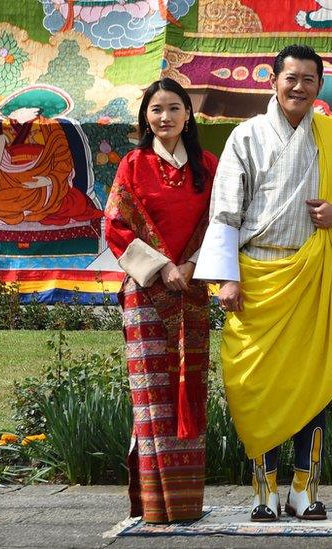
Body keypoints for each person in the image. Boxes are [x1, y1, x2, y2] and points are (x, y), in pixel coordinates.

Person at [194, 44, 332, 522]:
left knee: (311, 382)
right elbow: (225, 212)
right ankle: (264, 491)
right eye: (290, 78)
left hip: (314, 276)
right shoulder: (246, 137)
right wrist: (227, 280)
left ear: (320, 86)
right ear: (273, 81)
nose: (299, 87)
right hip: (257, 277)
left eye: (309, 80)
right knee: (256, 383)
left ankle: (305, 489)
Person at [104, 78, 217, 524]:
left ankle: (187, 504)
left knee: (189, 390)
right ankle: (155, 506)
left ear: (188, 115)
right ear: (145, 118)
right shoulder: (132, 165)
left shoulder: (207, 165)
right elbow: (116, 225)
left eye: (173, 108)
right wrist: (162, 268)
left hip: (191, 291)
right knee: (152, 397)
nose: (165, 117)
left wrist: (189, 265)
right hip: (146, 293)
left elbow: (220, 221)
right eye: (156, 110)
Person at [0, 85, 102, 229]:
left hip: (40, 186)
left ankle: (27, 209)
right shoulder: (1, 127)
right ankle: (26, 210)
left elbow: (64, 162)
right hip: (7, 183)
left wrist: (48, 180)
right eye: (32, 108)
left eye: (37, 109)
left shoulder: (52, 127)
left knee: (76, 202)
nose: (36, 112)